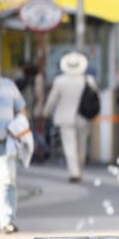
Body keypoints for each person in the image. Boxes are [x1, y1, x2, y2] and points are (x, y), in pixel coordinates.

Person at [42, 52, 98, 183]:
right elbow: (96, 98)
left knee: (69, 145)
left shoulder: (60, 81)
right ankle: (79, 169)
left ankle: (74, 172)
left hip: (65, 117)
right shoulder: (88, 80)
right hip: (83, 117)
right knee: (82, 145)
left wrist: (46, 112)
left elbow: (52, 100)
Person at [0, 54, 28, 234]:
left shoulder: (9, 87)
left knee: (7, 180)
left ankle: (7, 220)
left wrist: (19, 125)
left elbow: (21, 108)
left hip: (4, 143)